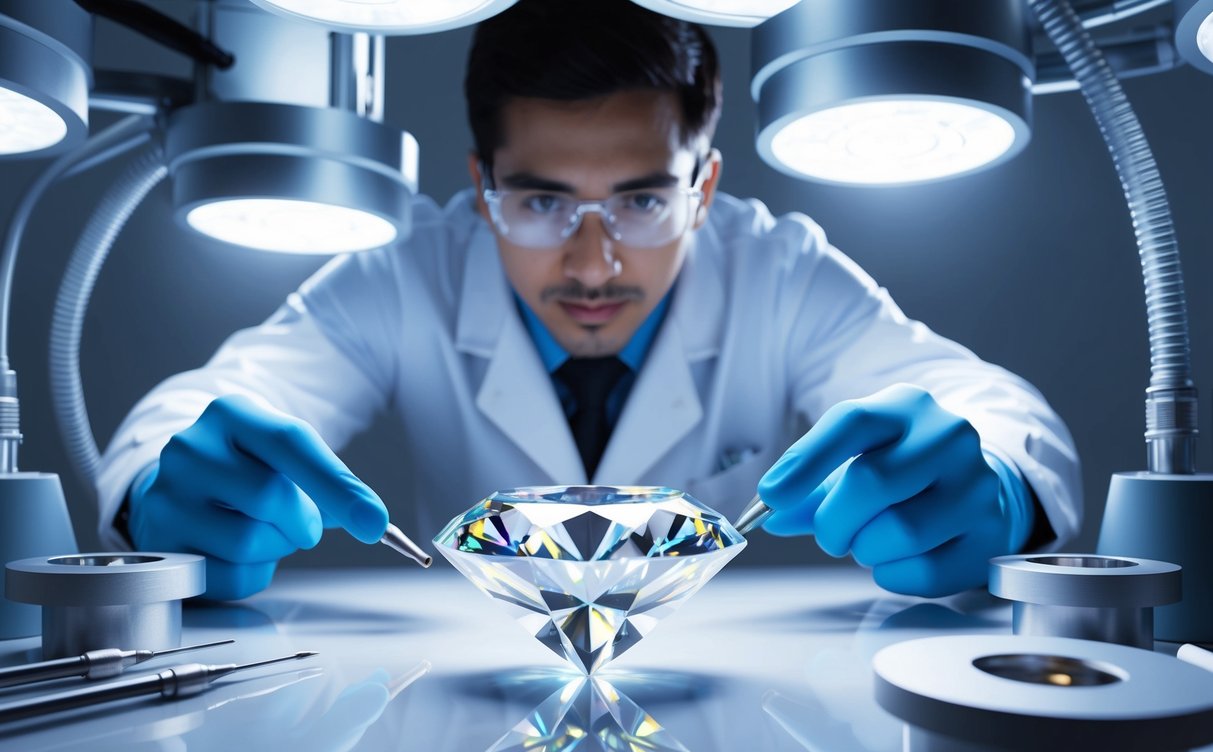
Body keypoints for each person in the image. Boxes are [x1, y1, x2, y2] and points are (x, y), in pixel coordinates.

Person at [97, 0, 1081, 601]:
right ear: (483, 186)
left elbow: (993, 409)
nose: (595, 263)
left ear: (703, 188)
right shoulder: (405, 271)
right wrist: (158, 498)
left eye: (645, 200)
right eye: (540, 201)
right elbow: (196, 415)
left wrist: (994, 484)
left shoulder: (775, 270)